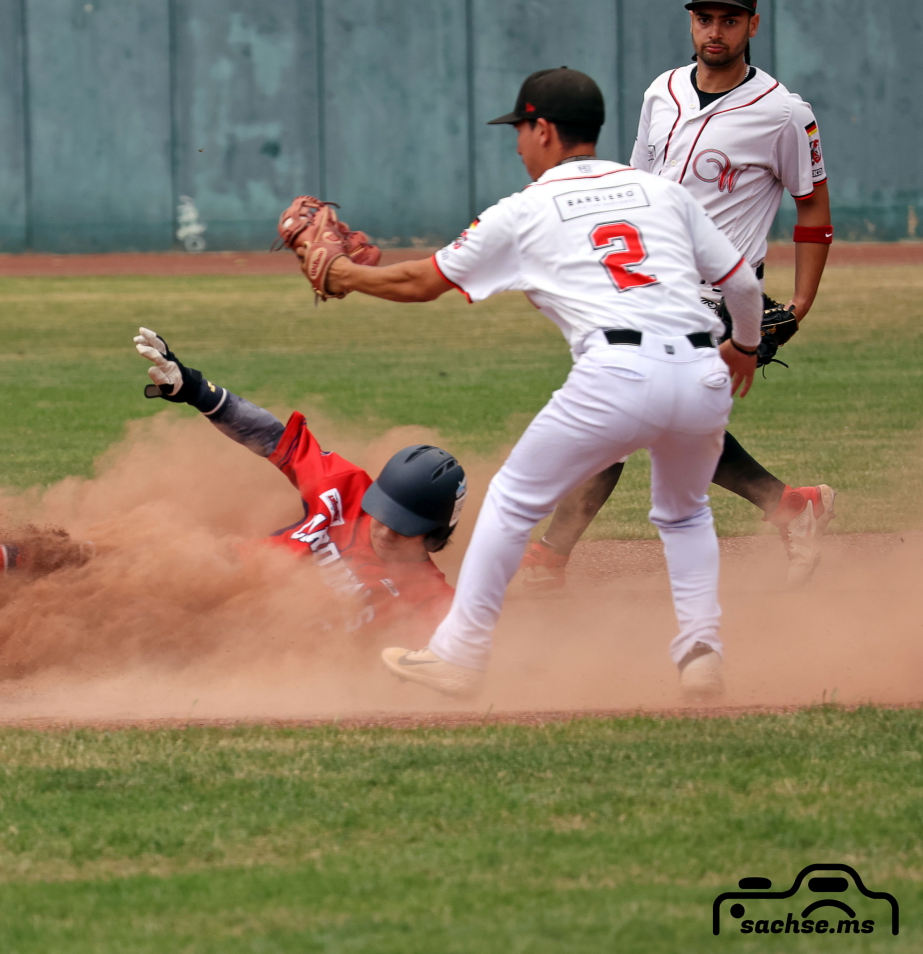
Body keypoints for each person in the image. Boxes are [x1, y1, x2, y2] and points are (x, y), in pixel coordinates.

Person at [298, 67, 763, 700]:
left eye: (520, 129)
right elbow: (742, 285)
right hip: (702, 373)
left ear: (544, 129)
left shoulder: (525, 209)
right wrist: (745, 346)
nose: (518, 143)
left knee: (514, 499)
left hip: (616, 373)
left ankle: (460, 655)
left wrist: (344, 277)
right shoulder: (662, 193)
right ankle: (702, 652)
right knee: (683, 516)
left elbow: (421, 283)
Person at [519, 0, 835, 593]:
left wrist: (801, 301)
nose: (715, 31)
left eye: (730, 19)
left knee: (621, 402)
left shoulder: (784, 113)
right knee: (645, 414)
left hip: (716, 296)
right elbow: (636, 187)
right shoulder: (660, 92)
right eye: (705, 18)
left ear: (753, 25)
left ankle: (550, 554)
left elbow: (812, 203)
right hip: (647, 287)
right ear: (691, 21)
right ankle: (790, 504)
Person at [134, 327, 462, 643]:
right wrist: (196, 390)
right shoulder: (345, 489)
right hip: (220, 578)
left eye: (403, 527)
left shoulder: (432, 602)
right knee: (119, 570)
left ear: (434, 533)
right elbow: (271, 436)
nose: (386, 531)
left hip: (260, 648)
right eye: (383, 513)